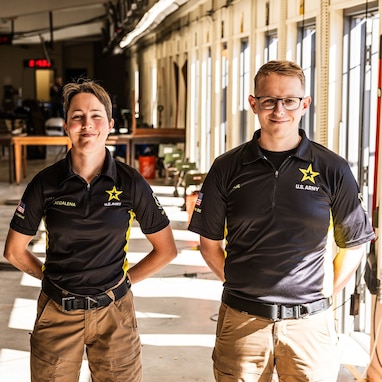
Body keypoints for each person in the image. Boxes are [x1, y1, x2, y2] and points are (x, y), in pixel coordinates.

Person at [188, 60, 375, 382]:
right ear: (253, 103)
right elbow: (209, 243)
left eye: (289, 100)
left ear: (304, 104)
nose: (279, 110)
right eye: (269, 100)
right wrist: (239, 285)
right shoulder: (227, 167)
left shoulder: (332, 169)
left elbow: (354, 243)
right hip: (242, 321)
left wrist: (324, 291)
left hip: (310, 327)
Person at [3, 79, 177, 382]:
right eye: (77, 116)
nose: (87, 124)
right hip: (57, 312)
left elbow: (166, 249)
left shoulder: (130, 182)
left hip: (115, 314)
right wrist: (52, 281)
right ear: (67, 125)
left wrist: (123, 283)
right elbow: (14, 252)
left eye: (96, 115)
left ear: (110, 124)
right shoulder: (45, 183)